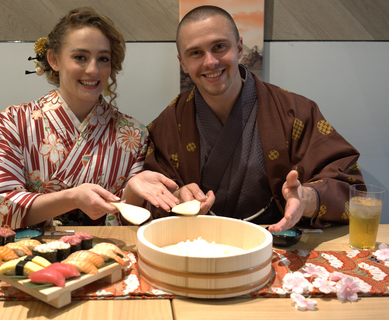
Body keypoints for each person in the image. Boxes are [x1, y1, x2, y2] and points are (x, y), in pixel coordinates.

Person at [143, 5, 364, 233]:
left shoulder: (294, 111)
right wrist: (175, 197)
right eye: (196, 53)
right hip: (196, 245)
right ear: (183, 63)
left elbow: (349, 185)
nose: (210, 62)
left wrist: (306, 199)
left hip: (275, 244)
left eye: (219, 47)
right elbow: (145, 194)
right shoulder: (169, 123)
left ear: (239, 48)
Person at [0, 7, 178, 230]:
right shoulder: (14, 123)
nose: (93, 69)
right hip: (31, 257)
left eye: (103, 59)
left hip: (105, 252)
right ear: (54, 59)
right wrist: (71, 198)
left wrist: (133, 192)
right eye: (80, 57)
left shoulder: (134, 134)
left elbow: (133, 220)